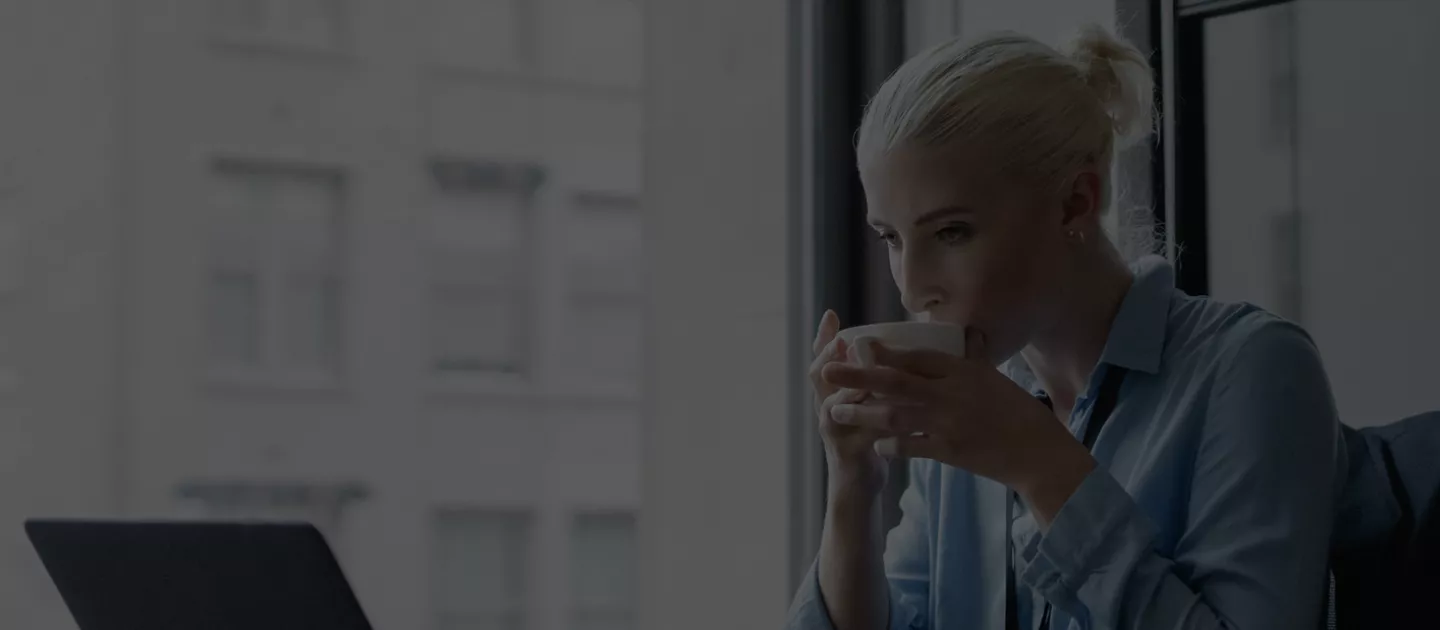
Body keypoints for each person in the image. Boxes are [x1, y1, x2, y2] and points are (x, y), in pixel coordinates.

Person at [786, 24, 1345, 630]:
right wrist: (852, 486)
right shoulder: (962, 416)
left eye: (952, 232)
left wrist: (1039, 463)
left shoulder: (1251, 372)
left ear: (1075, 202)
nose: (913, 287)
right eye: (892, 238)